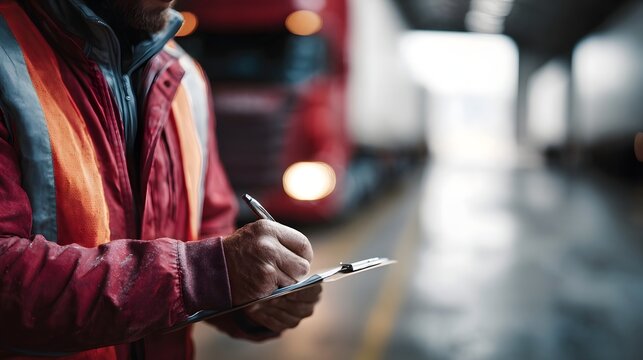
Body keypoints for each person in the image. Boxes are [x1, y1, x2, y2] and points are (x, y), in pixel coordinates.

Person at [0, 0, 321, 358]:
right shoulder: (6, 60)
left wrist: (248, 299)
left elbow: (208, 232)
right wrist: (204, 273)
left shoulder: (185, 78)